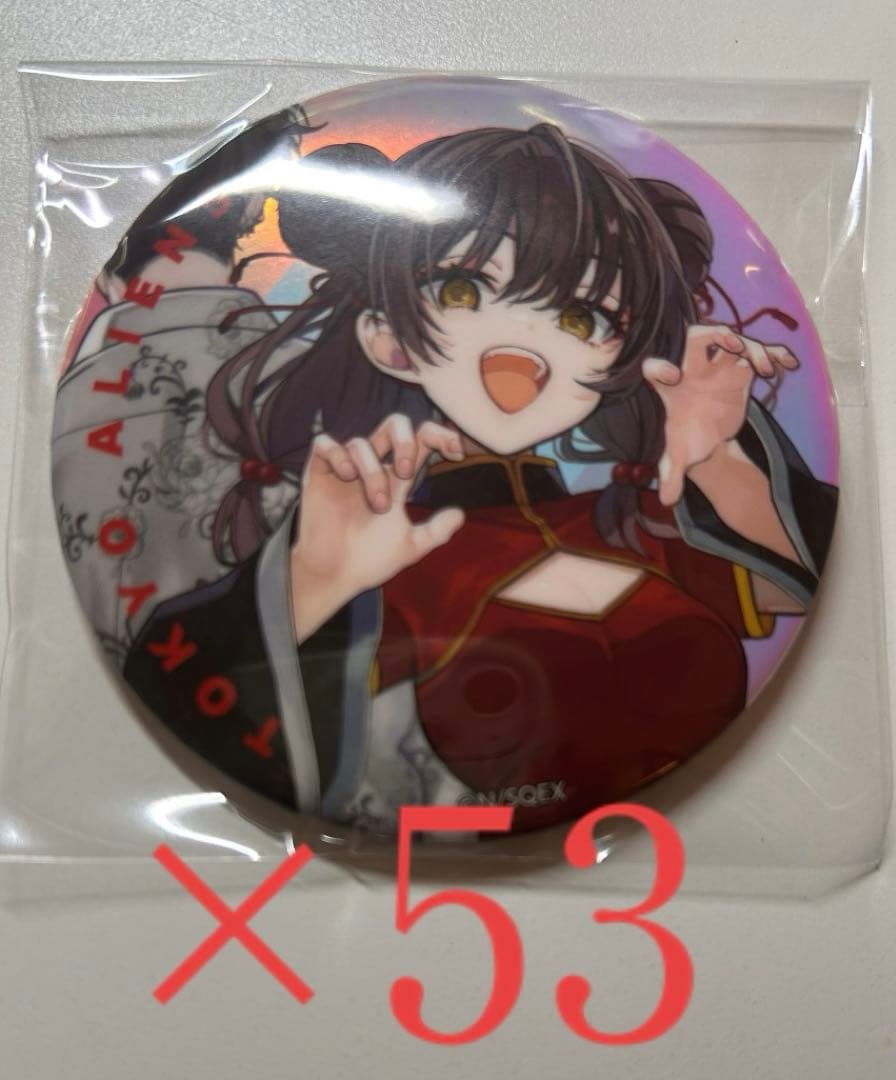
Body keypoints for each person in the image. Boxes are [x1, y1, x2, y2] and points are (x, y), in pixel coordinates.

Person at [124, 122, 837, 834]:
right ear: (387, 340)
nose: (524, 350)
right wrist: (313, 578)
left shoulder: (633, 520)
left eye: (582, 317)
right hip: (434, 871)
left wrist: (718, 459)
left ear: (621, 361)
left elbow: (801, 595)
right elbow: (178, 691)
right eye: (462, 290)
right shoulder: (379, 550)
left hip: (717, 823)